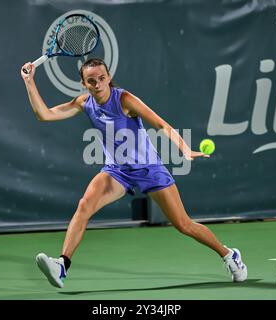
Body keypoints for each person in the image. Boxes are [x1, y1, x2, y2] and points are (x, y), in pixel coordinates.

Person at [20, 58, 247, 288]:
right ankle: (62, 265)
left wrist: (185, 149)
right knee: (84, 205)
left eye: (101, 78)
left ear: (108, 77)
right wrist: (30, 82)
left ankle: (229, 255)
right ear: (83, 83)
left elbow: (160, 124)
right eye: (91, 81)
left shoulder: (125, 100)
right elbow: (45, 115)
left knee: (183, 224)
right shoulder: (84, 103)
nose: (97, 84)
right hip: (117, 171)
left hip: (149, 169)